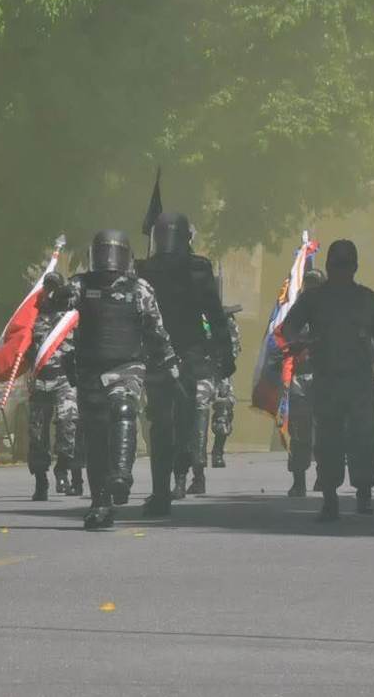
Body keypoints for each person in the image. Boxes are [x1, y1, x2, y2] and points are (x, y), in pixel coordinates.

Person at [65, 230, 179, 530]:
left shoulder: (139, 288)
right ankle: (100, 504)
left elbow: (156, 328)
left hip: (127, 367)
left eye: (113, 252)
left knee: (124, 409)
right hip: (89, 368)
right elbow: (59, 315)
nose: (108, 260)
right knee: (94, 435)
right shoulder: (79, 285)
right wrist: (52, 294)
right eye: (103, 252)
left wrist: (169, 361)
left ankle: (121, 475)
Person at [281, 241, 374, 521]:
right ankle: (329, 497)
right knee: (328, 440)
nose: (341, 271)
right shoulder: (313, 299)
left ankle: (364, 492)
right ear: (329, 267)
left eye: (345, 265)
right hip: (327, 378)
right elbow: (289, 327)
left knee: (363, 438)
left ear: (354, 267)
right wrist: (299, 342)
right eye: (336, 265)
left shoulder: (368, 299)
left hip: (359, 381)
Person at [136, 212, 235, 510]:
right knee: (168, 421)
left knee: (176, 420)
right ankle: (166, 486)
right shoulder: (149, 269)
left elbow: (214, 314)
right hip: (166, 352)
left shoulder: (189, 269)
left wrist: (225, 352)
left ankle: (174, 478)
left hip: (183, 353)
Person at [26, 272, 84, 501]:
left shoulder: (72, 316)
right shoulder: (34, 316)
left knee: (67, 425)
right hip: (40, 381)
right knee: (37, 434)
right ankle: (41, 480)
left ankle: (63, 469)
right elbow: (24, 345)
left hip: (64, 379)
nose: (51, 291)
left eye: (55, 287)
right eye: (47, 287)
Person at [284, 269, 325, 497]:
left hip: (324, 376)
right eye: (308, 283)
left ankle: (323, 475)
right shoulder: (295, 311)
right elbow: (283, 335)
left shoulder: (331, 310)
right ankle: (298, 480)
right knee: (299, 431)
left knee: (324, 430)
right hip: (299, 377)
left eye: (315, 284)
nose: (311, 288)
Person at [210, 305, 242, 468]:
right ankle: (195, 457)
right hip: (197, 369)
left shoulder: (226, 320)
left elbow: (233, 349)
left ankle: (218, 452)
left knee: (224, 409)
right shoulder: (193, 315)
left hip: (220, 371)